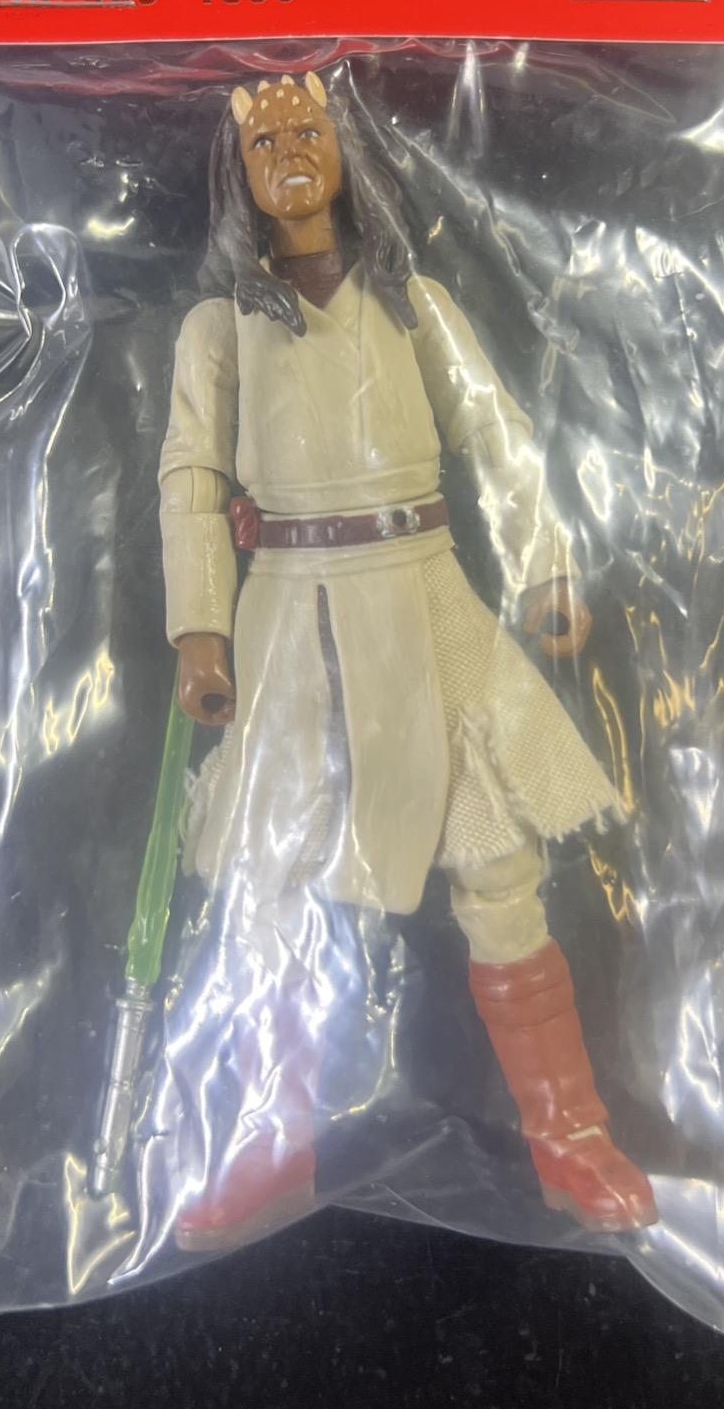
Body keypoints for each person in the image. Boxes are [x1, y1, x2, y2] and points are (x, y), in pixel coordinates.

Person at [158, 71, 655, 1251]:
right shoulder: (219, 328)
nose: (289, 150)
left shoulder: (412, 301)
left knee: (499, 862)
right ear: (237, 172)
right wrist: (201, 630)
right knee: (273, 880)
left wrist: (542, 564)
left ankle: (569, 1134)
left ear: (346, 153)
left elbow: (493, 428)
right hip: (290, 613)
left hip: (426, 592)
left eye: (308, 129)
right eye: (266, 139)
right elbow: (190, 476)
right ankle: (270, 1144)